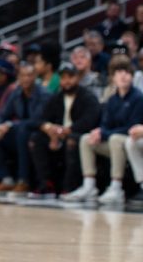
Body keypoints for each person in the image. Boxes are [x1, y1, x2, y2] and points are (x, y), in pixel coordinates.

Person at [62, 55, 143, 204]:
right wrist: (98, 132)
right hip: (116, 141)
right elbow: (105, 124)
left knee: (115, 139)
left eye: (126, 72)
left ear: (132, 75)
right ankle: (89, 185)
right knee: (86, 139)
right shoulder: (112, 100)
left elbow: (131, 128)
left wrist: (104, 133)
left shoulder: (138, 98)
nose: (123, 76)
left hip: (128, 141)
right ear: (112, 77)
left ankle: (116, 187)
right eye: (118, 72)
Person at [29, 62, 101, 197]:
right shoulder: (56, 98)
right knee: (36, 140)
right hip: (58, 134)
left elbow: (90, 120)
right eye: (63, 78)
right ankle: (46, 184)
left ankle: (70, 187)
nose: (67, 81)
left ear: (77, 78)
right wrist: (49, 128)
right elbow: (39, 119)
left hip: (80, 134)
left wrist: (68, 130)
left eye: (70, 77)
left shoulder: (87, 97)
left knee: (72, 142)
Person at [0, 63, 49, 196]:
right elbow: (3, 114)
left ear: (35, 77)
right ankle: (6, 179)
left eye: (29, 75)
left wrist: (9, 125)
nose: (26, 79)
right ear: (19, 77)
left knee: (22, 132)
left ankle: (23, 181)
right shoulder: (17, 92)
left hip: (39, 133)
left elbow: (37, 121)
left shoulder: (43, 94)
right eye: (23, 75)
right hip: (21, 131)